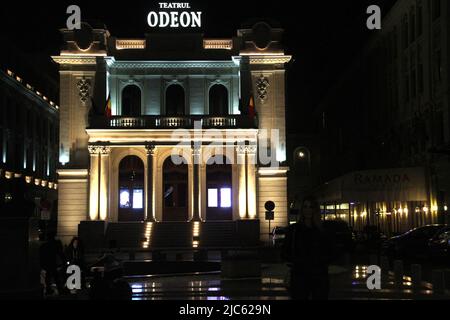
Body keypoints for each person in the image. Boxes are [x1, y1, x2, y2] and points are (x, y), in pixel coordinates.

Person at [282, 195, 333, 300]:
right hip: (300, 277)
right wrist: (296, 261)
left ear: (315, 209)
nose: (308, 210)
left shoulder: (323, 231)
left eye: (311, 207)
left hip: (319, 277)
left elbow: (332, 251)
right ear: (302, 209)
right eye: (305, 207)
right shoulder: (294, 230)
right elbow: (284, 252)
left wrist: (322, 262)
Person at [39, 231, 66, 296]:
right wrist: (64, 260)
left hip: (47, 263)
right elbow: (60, 253)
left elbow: (41, 255)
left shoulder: (44, 245)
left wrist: (42, 264)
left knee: (48, 277)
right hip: (53, 263)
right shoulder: (56, 244)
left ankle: (49, 290)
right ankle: (60, 290)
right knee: (56, 277)